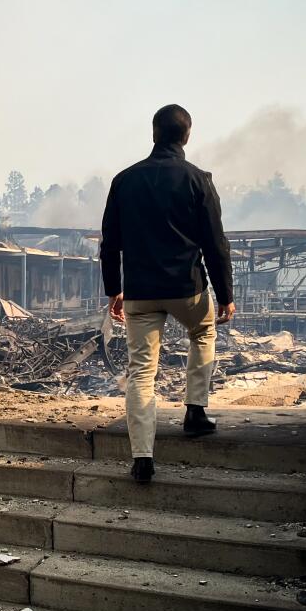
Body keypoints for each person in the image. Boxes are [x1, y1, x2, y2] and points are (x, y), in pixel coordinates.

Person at [100, 103, 235, 484]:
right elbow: (215, 243)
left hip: (140, 293)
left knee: (141, 372)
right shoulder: (197, 179)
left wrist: (114, 289)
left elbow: (110, 243)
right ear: (187, 136)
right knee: (203, 332)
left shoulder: (124, 180)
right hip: (186, 290)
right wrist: (225, 293)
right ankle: (195, 411)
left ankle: (142, 457)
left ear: (154, 133)